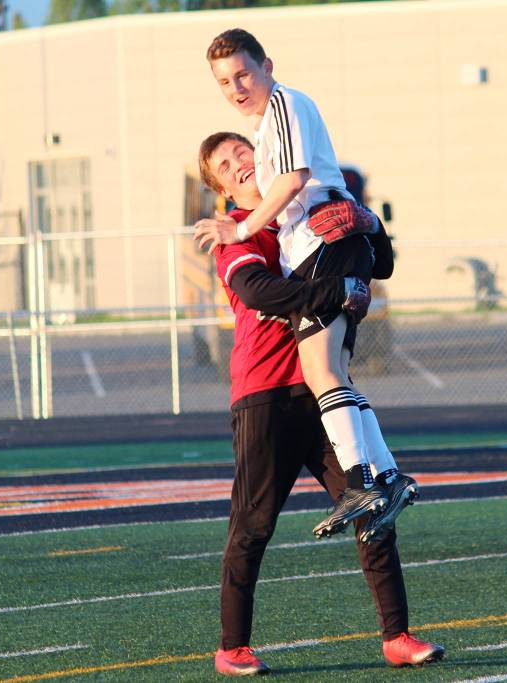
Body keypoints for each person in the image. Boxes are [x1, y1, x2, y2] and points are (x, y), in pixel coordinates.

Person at [199, 131, 444, 676]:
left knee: (373, 509)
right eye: (224, 163)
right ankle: (231, 646)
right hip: (265, 395)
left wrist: (371, 226)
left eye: (244, 151)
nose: (239, 163)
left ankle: (397, 635)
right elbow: (262, 293)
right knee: (253, 524)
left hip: (322, 394)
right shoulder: (236, 235)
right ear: (218, 185)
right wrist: (335, 292)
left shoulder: (296, 213)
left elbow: (377, 265)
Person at [194, 28, 416, 539]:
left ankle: (364, 481)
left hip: (322, 246)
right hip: (327, 247)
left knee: (321, 372)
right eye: (225, 81)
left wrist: (242, 225)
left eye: (243, 73)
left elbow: (295, 181)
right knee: (333, 371)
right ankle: (385, 476)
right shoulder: (269, 121)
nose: (236, 87)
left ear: (267, 66)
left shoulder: (282, 105)